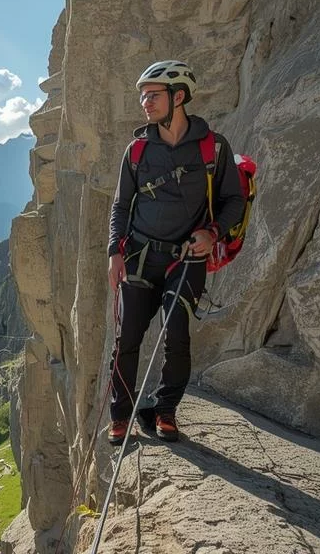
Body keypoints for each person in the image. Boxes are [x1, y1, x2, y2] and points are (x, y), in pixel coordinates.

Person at [106, 60, 245, 444]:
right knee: (127, 339)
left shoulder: (213, 147)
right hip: (139, 255)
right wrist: (114, 253)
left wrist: (211, 231)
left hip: (186, 258)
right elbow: (121, 206)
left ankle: (166, 412)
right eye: (142, 96)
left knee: (177, 334)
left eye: (153, 95)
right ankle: (121, 417)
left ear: (178, 96)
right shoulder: (137, 151)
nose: (144, 102)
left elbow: (234, 199)